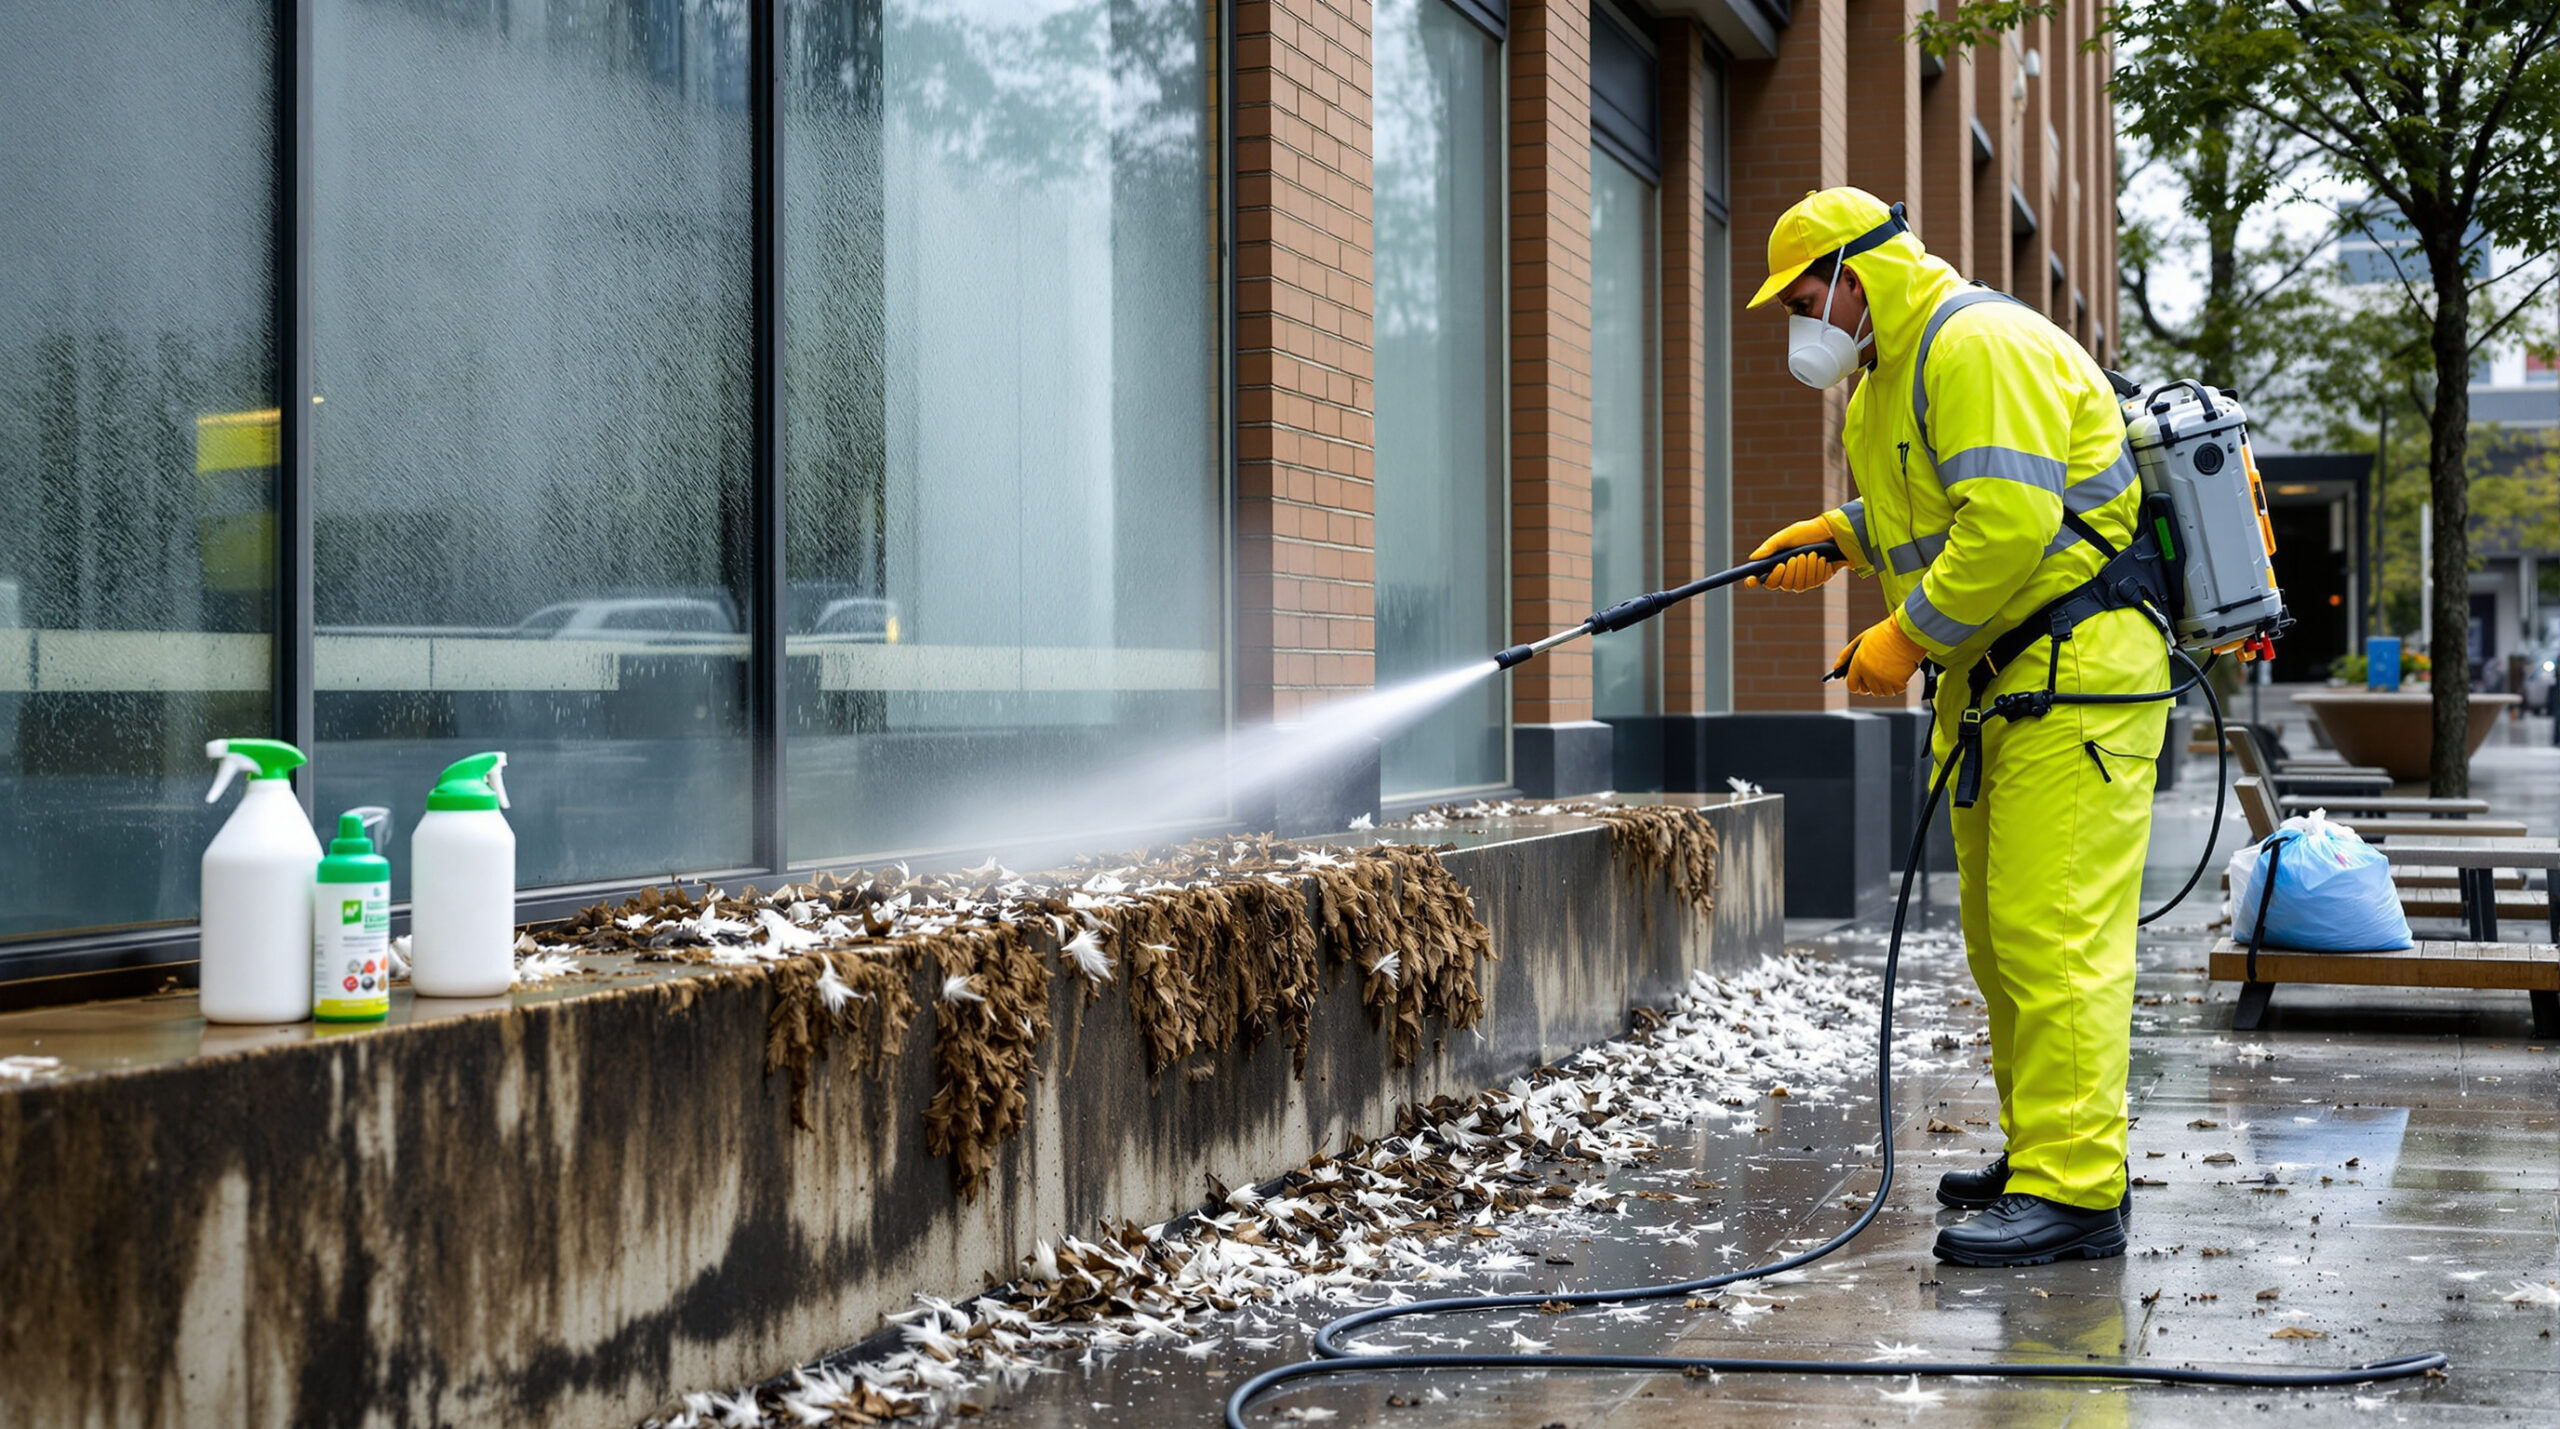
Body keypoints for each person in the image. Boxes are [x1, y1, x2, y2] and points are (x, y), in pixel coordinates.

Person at [1741, 187, 2165, 1267]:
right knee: (1998, 938)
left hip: (2075, 681)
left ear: (1855, 272)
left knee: (2054, 936)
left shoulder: (1977, 342)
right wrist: (1840, 535)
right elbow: (1924, 507)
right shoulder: (1890, 377)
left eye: (1803, 294)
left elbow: (2011, 524)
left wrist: (1902, 636)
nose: (1802, 318)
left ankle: (2077, 1193)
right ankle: (2043, 1157)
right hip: (2006, 688)